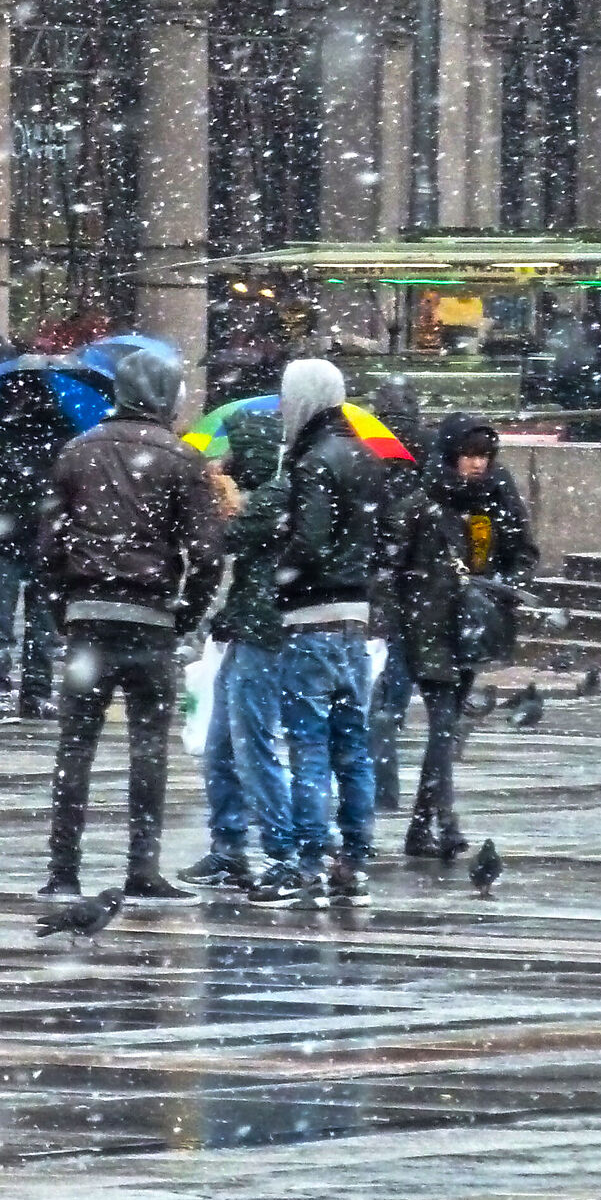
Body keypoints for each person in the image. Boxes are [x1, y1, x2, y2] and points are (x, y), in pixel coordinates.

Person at [37, 346, 224, 900]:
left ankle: (64, 869)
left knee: (76, 747)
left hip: (88, 617)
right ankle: (141, 867)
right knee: (147, 747)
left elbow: (48, 547)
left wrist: (62, 607)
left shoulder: (76, 452)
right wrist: (186, 609)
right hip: (149, 618)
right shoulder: (181, 459)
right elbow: (207, 553)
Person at [263, 357, 386, 907]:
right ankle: (355, 858)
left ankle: (311, 858)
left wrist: (277, 564)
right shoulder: (364, 454)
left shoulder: (312, 461)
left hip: (311, 618)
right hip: (355, 621)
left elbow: (309, 544)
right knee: (352, 746)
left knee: (309, 745)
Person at [384, 415, 536, 862]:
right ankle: (445, 824)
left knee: (446, 728)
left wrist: (501, 588)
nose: (476, 464)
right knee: (443, 725)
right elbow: (391, 564)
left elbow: (523, 551)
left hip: (472, 626)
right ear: (450, 453)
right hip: (428, 626)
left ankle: (420, 826)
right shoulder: (422, 500)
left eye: (484, 456)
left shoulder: (497, 496)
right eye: (469, 455)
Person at [181, 411, 293, 895]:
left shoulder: (276, 497)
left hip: (263, 637)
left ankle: (280, 849)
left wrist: (218, 496)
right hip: (247, 629)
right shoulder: (276, 493)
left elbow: (225, 537)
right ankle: (229, 847)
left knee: (251, 747)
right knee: (222, 746)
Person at [0, 371, 69, 718]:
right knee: (39, 623)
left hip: (5, 537)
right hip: (41, 538)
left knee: (3, 621)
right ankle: (33, 691)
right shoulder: (61, 432)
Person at [365, 375, 429, 810]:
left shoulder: (368, 448)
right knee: (399, 676)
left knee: (377, 687)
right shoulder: (428, 449)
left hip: (379, 582)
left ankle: (378, 781)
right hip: (419, 585)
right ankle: (386, 778)